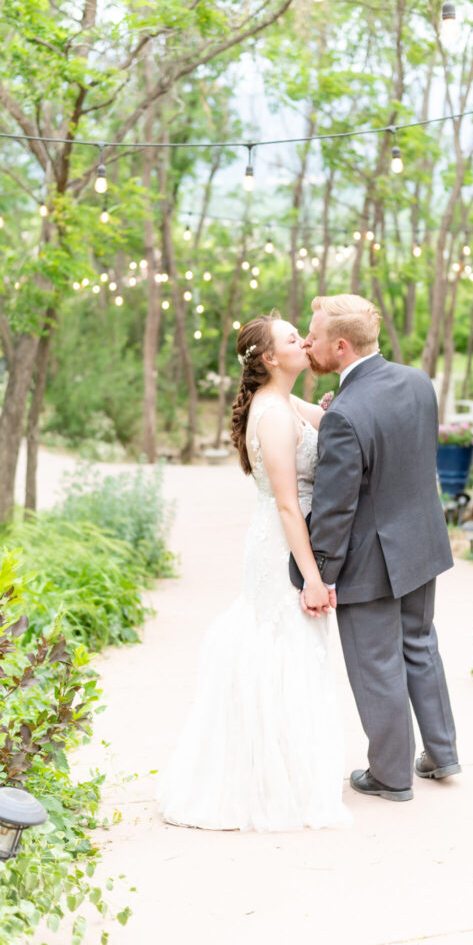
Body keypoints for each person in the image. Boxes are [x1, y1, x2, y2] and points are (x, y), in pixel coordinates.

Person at [156, 312, 351, 831]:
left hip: (286, 538)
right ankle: (268, 782)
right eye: (292, 338)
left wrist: (334, 404)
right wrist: (312, 578)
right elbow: (288, 505)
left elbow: (331, 424)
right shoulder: (273, 415)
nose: (303, 341)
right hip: (282, 546)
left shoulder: (286, 402)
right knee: (280, 645)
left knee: (294, 648)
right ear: (269, 357)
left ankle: (289, 771)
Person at [291, 294, 460, 800]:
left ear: (341, 346)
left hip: (370, 558)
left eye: (315, 336)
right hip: (421, 544)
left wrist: (319, 575)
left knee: (376, 664)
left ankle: (390, 775)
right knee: (420, 645)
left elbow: (335, 508)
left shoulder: (345, 414)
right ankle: (442, 753)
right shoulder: (417, 382)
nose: (307, 342)